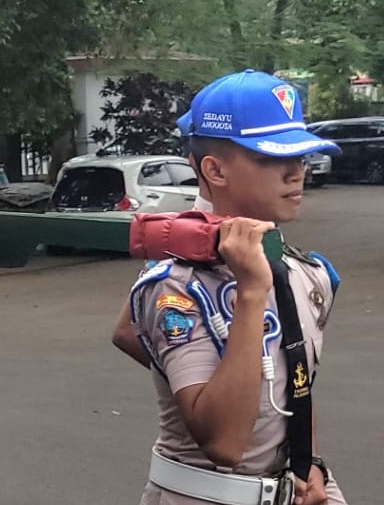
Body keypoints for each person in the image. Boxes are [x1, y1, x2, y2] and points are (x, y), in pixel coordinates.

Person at [123, 71, 349, 505]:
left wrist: (310, 461)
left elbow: (296, 380)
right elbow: (224, 444)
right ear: (214, 169)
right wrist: (250, 295)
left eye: (302, 156)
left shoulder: (308, 273)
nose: (296, 173)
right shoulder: (177, 284)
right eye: (270, 158)